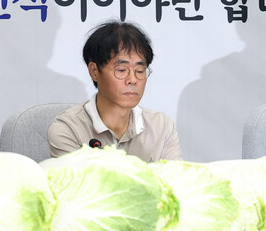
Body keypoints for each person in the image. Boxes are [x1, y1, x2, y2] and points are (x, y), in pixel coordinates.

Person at [48, 20, 182, 162]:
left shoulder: (162, 126)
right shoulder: (68, 129)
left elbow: (175, 176)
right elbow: (79, 177)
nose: (132, 80)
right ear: (94, 71)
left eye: (140, 70)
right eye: (122, 70)